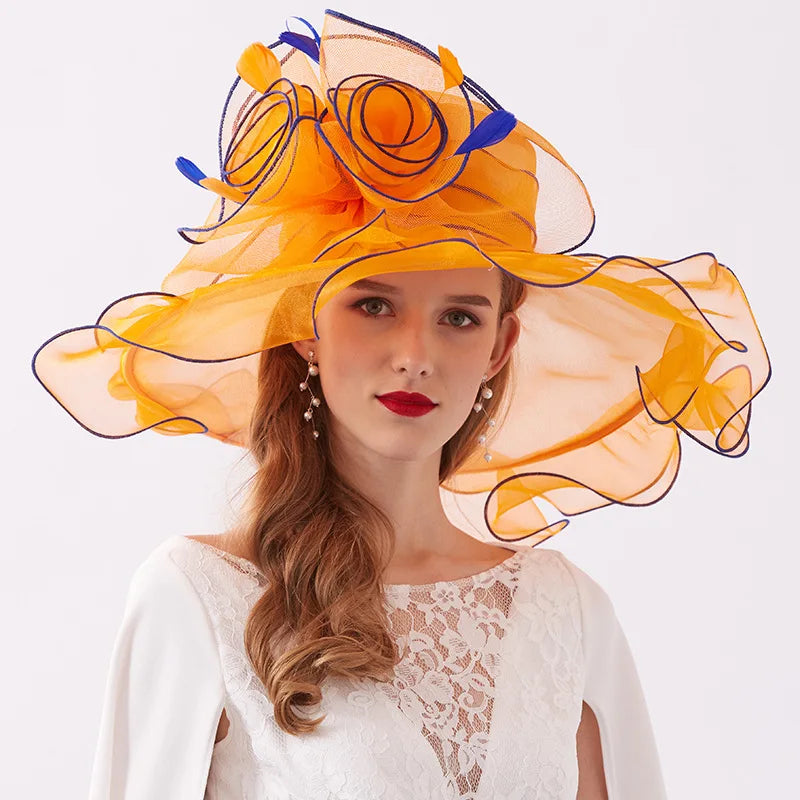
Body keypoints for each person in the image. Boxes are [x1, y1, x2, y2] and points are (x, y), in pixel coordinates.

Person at [30, 9, 770, 799]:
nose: (416, 353)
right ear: (305, 327)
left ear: (500, 346)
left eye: (460, 317)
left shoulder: (567, 612)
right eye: (374, 305)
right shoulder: (200, 596)